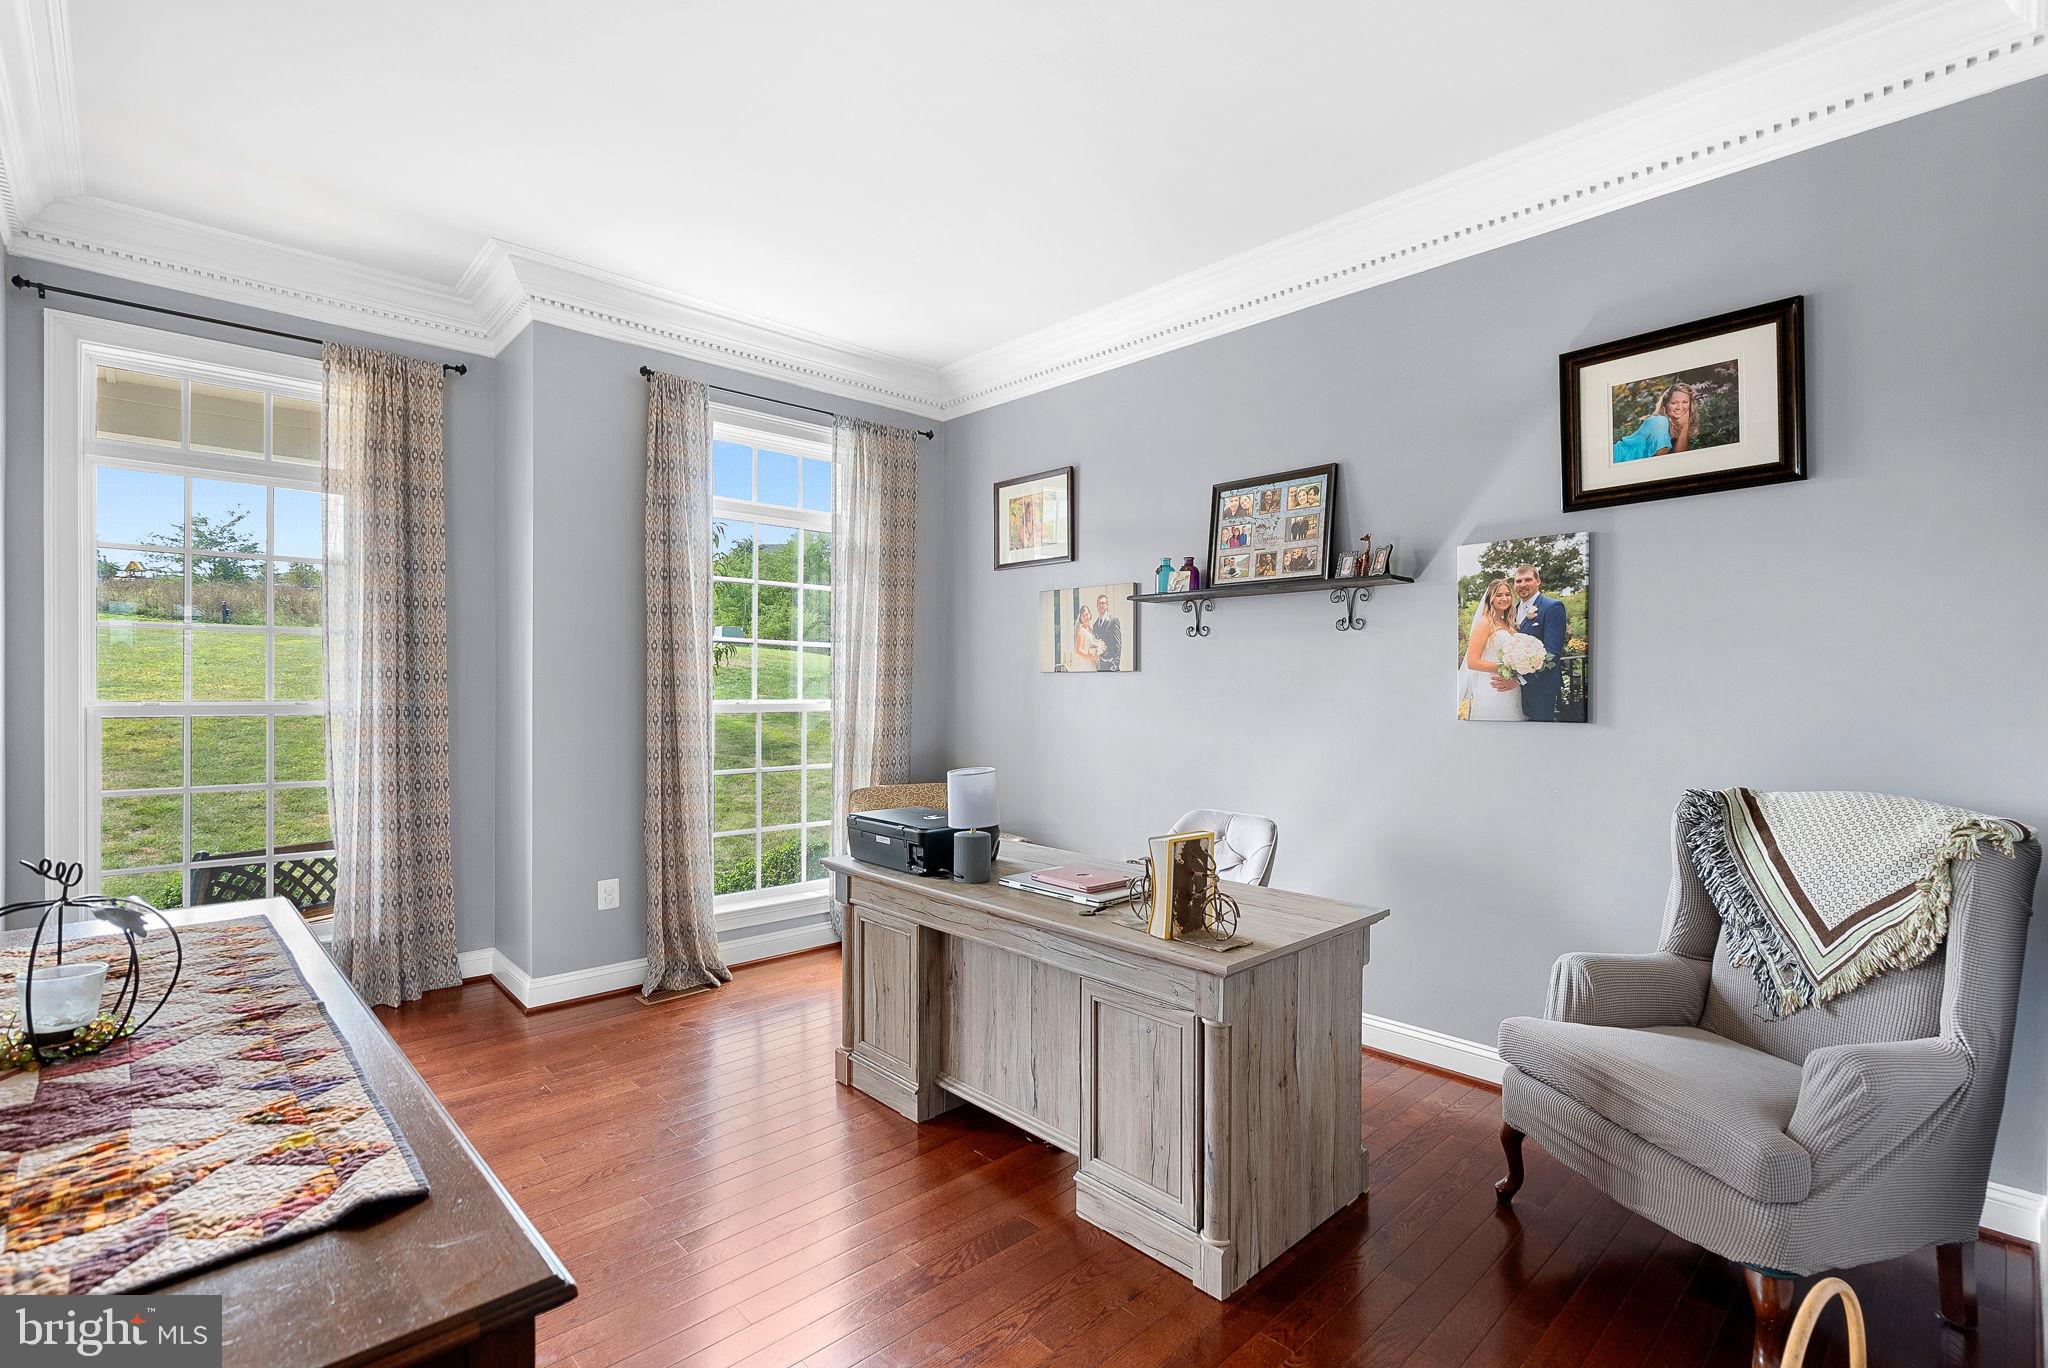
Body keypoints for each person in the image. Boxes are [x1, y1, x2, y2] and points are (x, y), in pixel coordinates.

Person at [1499, 562, 1568, 721]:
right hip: (1515, 691)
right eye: (1518, 581)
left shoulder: (1552, 607)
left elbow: (1552, 653)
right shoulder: (1511, 611)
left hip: (1541, 689)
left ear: (1538, 581)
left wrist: (1519, 681)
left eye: (1528, 579)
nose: (1522, 584)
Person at [1462, 579, 1527, 722]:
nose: (1504, 598)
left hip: (1511, 689)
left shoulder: (1506, 622)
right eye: (1499, 595)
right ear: (1490, 598)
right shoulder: (1484, 623)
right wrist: (1506, 669)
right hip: (1492, 687)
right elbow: (1472, 662)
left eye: (1507, 594)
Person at [1612, 381, 1696, 462]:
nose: (1679, 407)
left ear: (1690, 404)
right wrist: (1684, 426)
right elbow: (1661, 459)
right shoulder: (1660, 421)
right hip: (1616, 458)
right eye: (1673, 403)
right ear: (1664, 405)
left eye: (1685, 402)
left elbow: (1680, 457)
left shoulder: (1675, 426)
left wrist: (1684, 426)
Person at [1091, 592, 1123, 672]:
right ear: (1097, 606)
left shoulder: (1113, 621)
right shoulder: (1095, 625)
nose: (1101, 605)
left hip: (1111, 666)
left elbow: (1118, 644)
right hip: (1100, 666)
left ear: (1107, 605)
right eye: (1099, 604)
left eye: (1103, 603)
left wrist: (1115, 665)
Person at [1068, 605, 1102, 671]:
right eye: (1083, 616)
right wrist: (1090, 657)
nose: (1085, 617)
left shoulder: (1092, 630)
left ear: (1090, 615)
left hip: (1092, 662)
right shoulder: (1081, 631)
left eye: (1086, 615)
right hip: (1085, 662)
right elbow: (1078, 651)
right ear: (1080, 618)